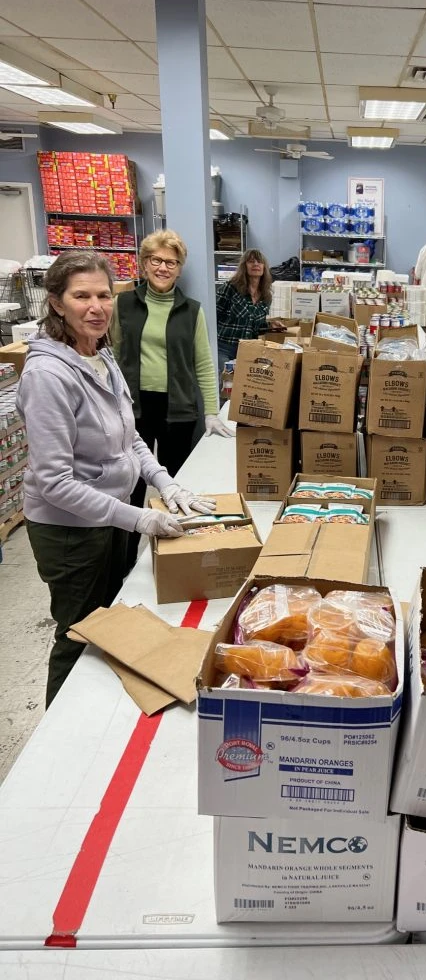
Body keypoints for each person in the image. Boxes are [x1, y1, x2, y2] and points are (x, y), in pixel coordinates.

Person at [16, 251, 214, 707]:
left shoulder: (101, 356)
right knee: (79, 634)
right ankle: (57, 738)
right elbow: (54, 482)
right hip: (70, 531)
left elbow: (132, 440)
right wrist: (139, 520)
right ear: (56, 302)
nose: (96, 306)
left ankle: (96, 714)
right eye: (81, 295)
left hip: (110, 520)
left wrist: (166, 483)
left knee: (111, 624)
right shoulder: (49, 375)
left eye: (104, 294)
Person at [111, 229, 233, 563]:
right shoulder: (123, 304)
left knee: (176, 486)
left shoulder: (192, 311)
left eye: (171, 262)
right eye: (156, 260)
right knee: (131, 488)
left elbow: (205, 365)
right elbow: (113, 354)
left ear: (179, 269)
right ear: (144, 263)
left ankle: (176, 561)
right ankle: (124, 563)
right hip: (132, 408)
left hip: (177, 409)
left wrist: (212, 411)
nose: (163, 267)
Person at [216, 248, 282, 375]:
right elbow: (214, 315)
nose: (256, 264)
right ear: (244, 266)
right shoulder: (230, 288)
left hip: (247, 350)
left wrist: (270, 326)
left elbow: (255, 326)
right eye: (251, 261)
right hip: (224, 349)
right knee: (226, 384)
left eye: (259, 262)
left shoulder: (266, 296)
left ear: (264, 267)